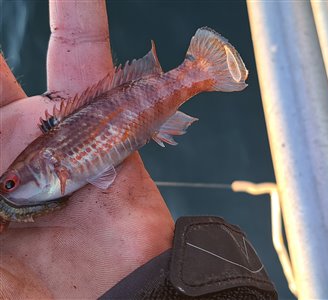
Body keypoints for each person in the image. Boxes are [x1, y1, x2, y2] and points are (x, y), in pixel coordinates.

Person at [0, 1, 276, 299]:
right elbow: (100, 175)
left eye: (9, 183)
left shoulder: (56, 164)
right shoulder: (50, 171)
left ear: (44, 165)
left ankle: (200, 71)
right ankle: (199, 73)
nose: (7, 191)